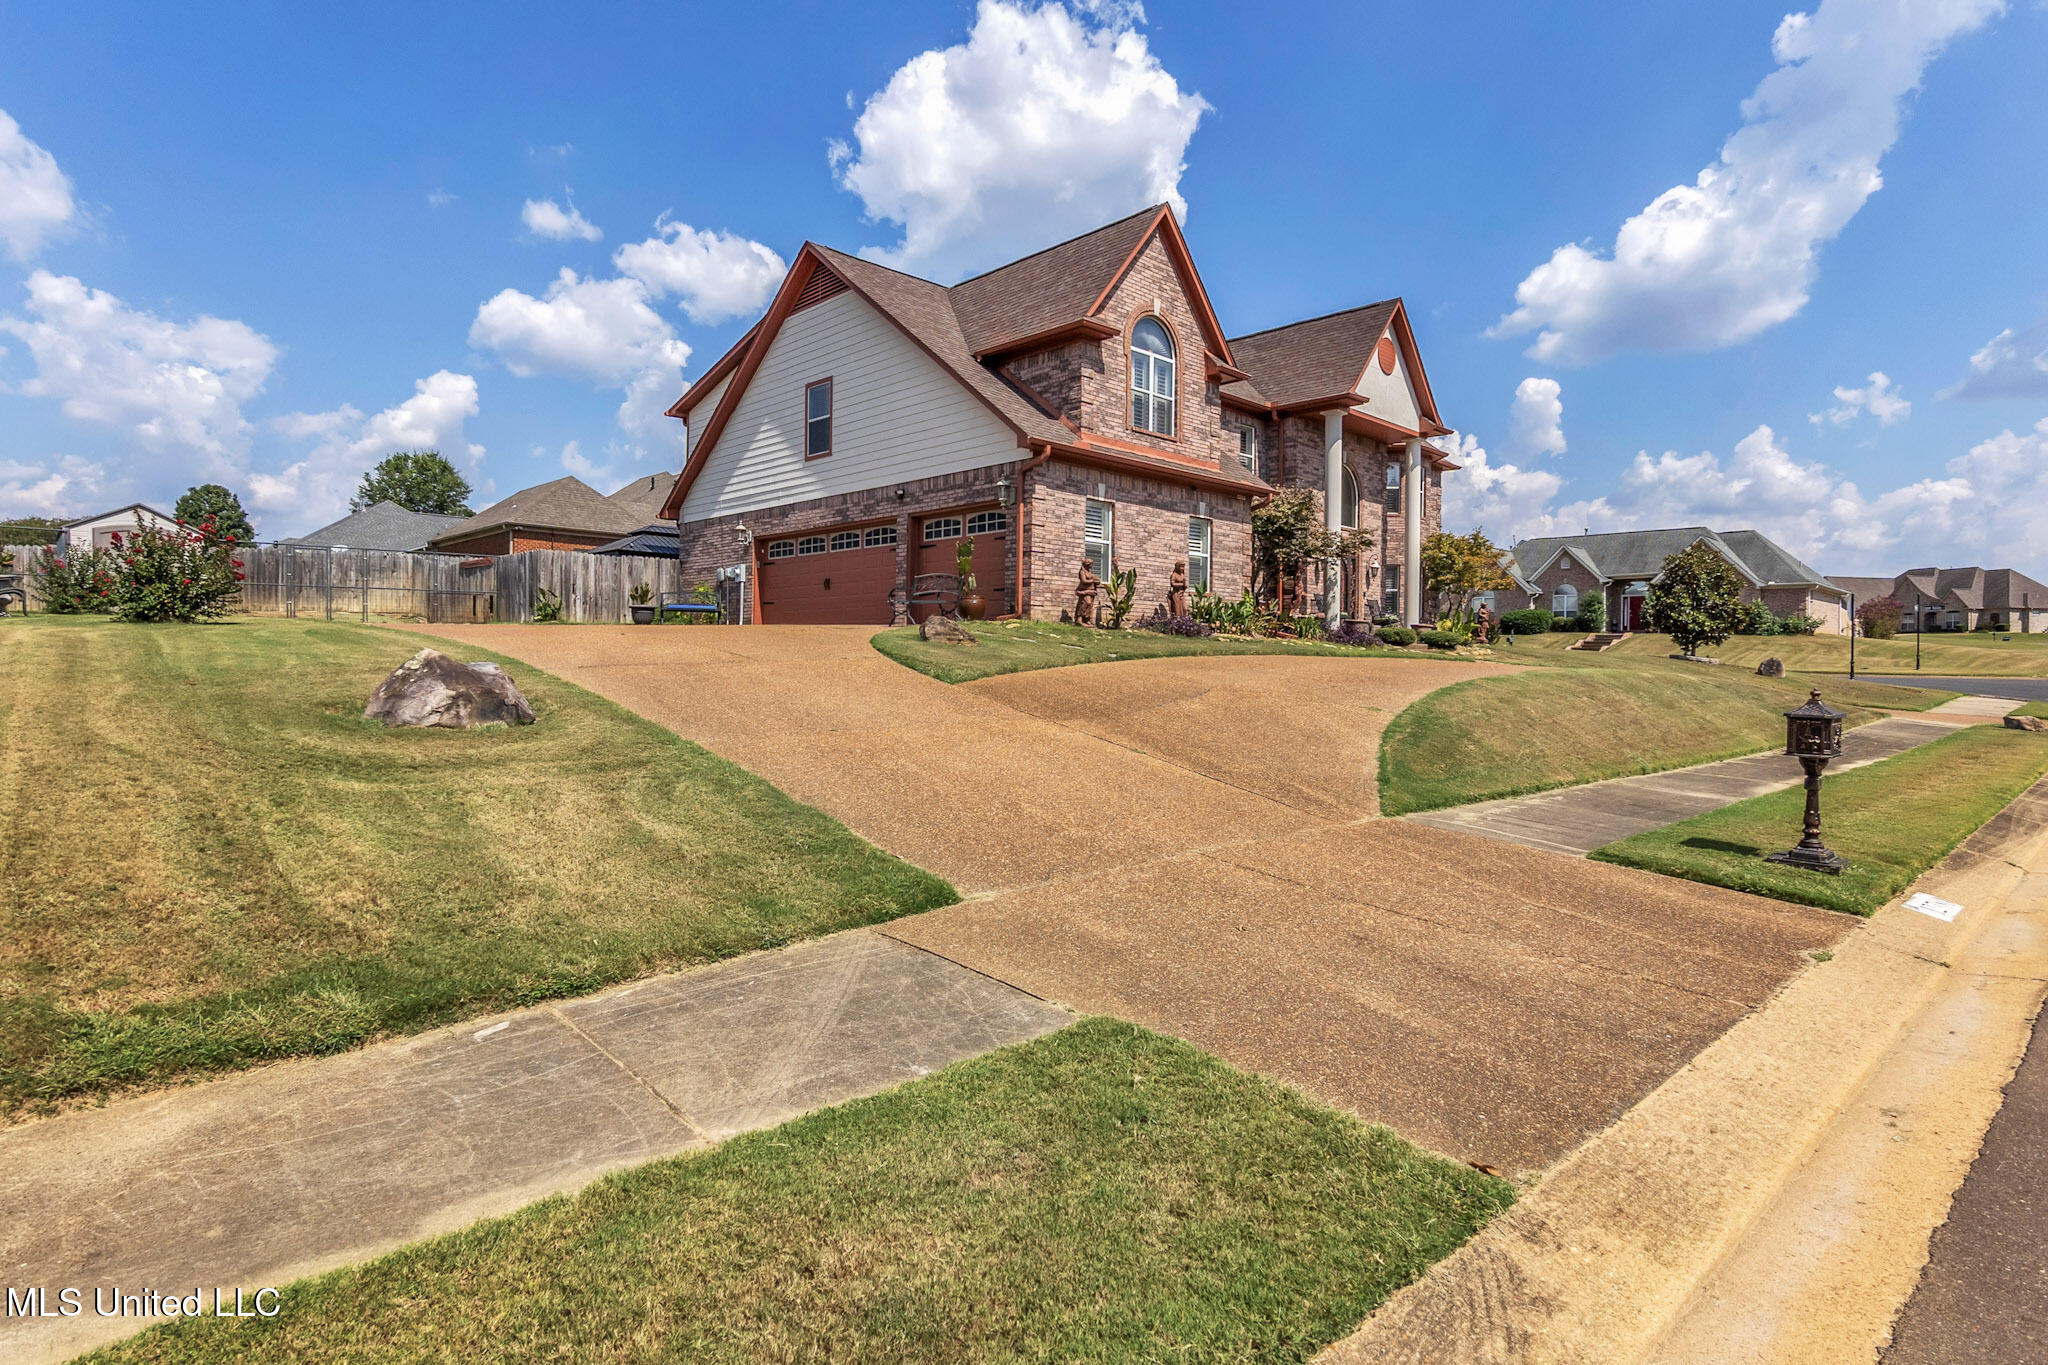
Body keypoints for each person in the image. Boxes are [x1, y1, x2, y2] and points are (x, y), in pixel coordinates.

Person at [1073, 559, 1103, 626]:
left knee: (1090, 605)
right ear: (1087, 564)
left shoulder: (1088, 571)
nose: (1092, 566)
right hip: (1084, 589)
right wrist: (1093, 581)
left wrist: (1096, 581)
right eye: (1091, 564)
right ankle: (1079, 619)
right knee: (1085, 603)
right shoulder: (1082, 572)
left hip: (1091, 590)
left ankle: (1086, 619)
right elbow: (1084, 581)